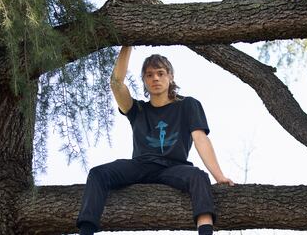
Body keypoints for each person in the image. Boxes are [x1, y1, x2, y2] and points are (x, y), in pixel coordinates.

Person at [77, 46, 234, 235]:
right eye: (149, 75)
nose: (156, 79)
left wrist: (219, 177)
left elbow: (200, 138)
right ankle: (85, 232)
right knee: (97, 173)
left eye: (160, 73)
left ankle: (206, 231)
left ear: (170, 76)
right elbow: (116, 83)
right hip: (141, 166)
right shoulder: (137, 110)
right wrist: (128, 44)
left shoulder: (187, 105)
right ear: (144, 80)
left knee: (199, 177)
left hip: (174, 167)